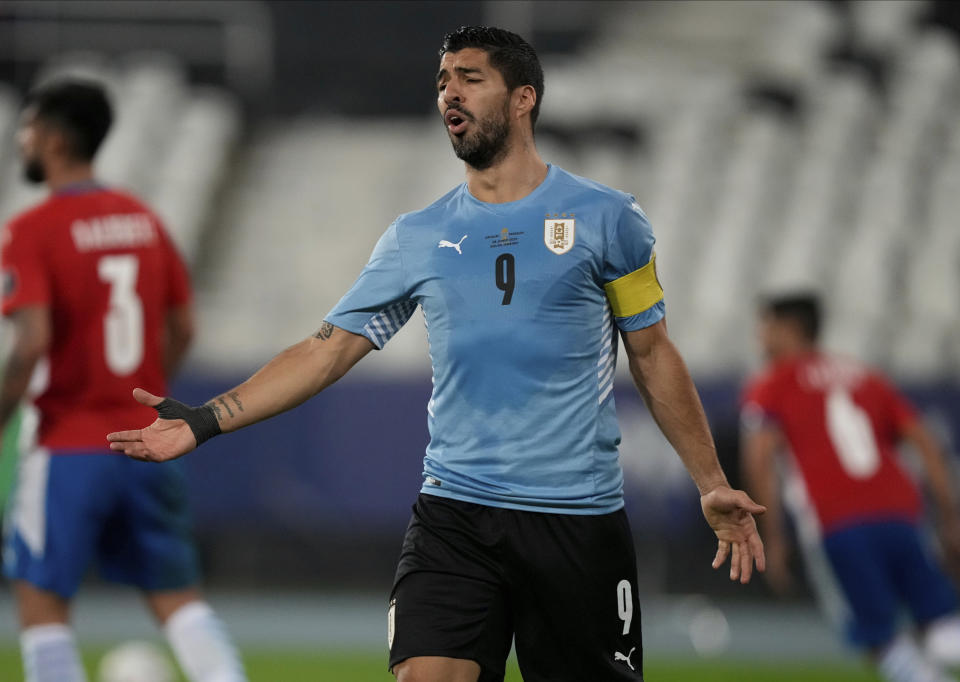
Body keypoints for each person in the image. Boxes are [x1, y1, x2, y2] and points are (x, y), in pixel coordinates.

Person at [108, 26, 765, 682]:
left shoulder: (608, 219)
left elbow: (651, 354)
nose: (450, 93)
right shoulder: (418, 236)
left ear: (522, 99)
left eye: (470, 79)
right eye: (443, 82)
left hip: (577, 523)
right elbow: (326, 351)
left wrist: (710, 482)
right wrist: (204, 420)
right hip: (456, 516)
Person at [2, 80, 247, 682]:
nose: (22, 140)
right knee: (176, 598)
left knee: (42, 604)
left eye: (29, 128)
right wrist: (144, 388)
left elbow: (31, 340)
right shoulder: (144, 221)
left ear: (55, 139)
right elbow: (184, 325)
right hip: (147, 439)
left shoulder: (33, 229)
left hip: (67, 443)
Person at [741, 293, 960, 682]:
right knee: (941, 625)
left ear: (788, 329)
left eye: (765, 327)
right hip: (903, 515)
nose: (760, 339)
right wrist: (949, 515)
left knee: (879, 639)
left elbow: (760, 457)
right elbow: (924, 441)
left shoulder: (772, 383)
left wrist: (771, 536)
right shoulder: (864, 376)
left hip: (838, 522)